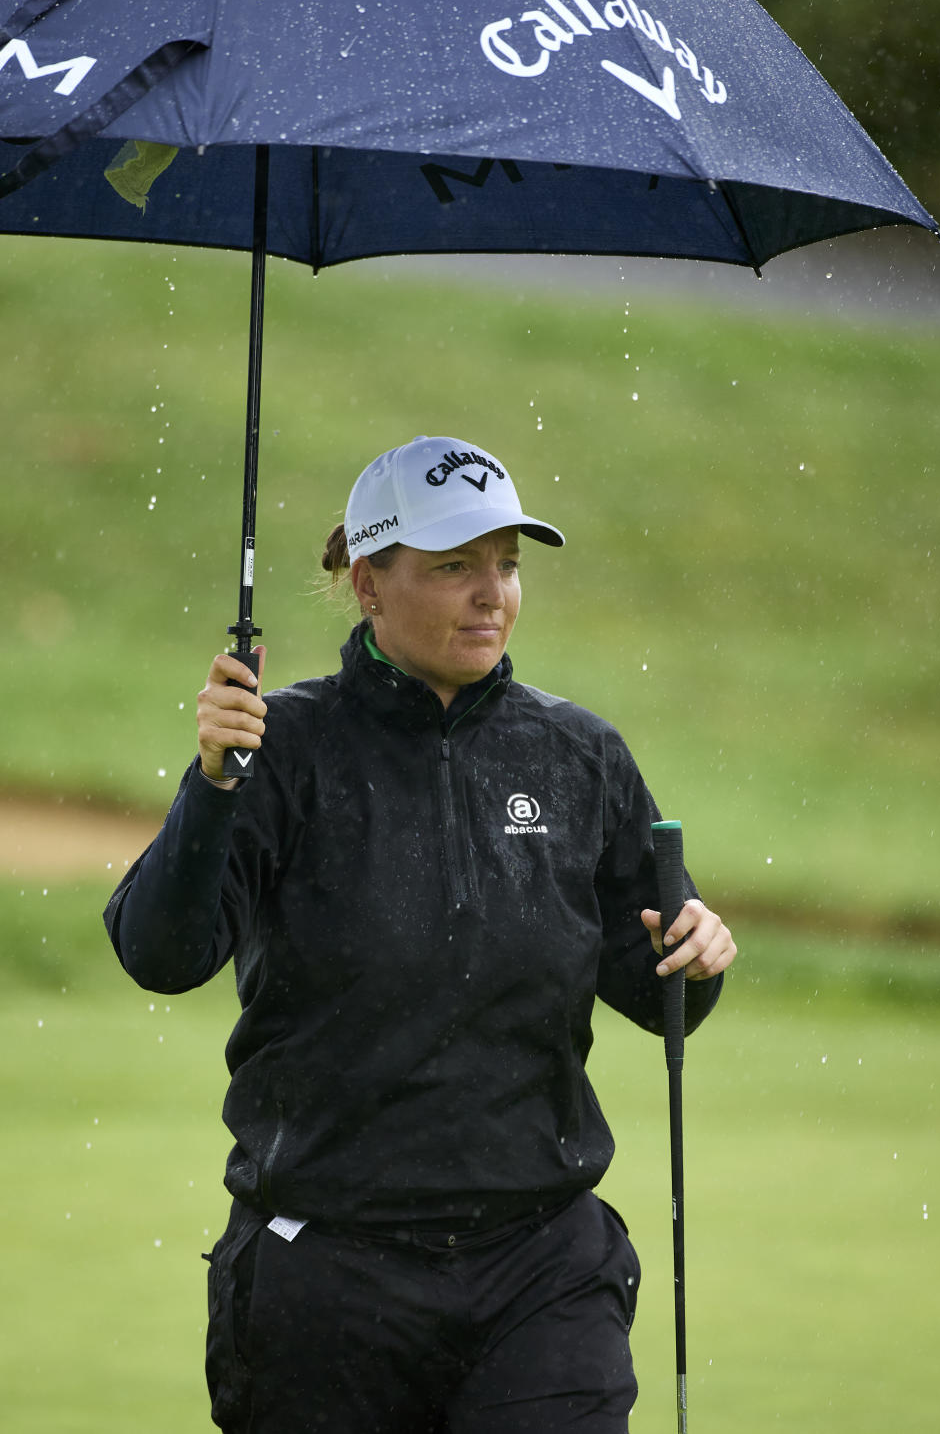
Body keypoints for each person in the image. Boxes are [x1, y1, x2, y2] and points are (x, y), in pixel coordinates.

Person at [105, 434, 736, 1434]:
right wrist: (216, 782)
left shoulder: (578, 754)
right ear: (368, 582)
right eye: (455, 567)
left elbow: (657, 988)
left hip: (541, 1267)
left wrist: (693, 957)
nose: (493, 593)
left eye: (508, 564)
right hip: (328, 1269)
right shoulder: (286, 749)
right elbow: (162, 954)